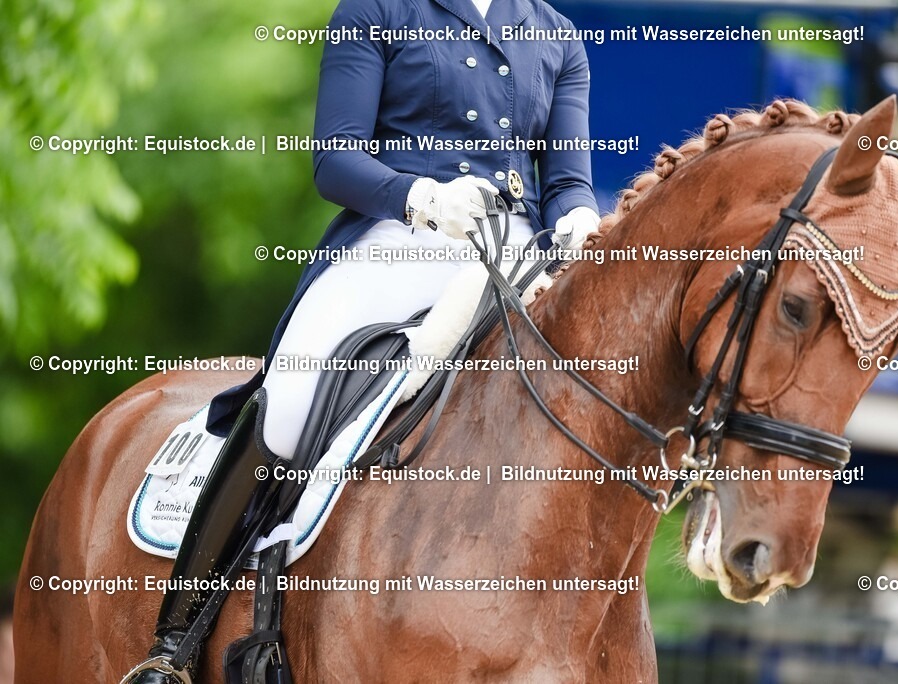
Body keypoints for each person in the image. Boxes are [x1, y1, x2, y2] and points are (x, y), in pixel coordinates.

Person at [121, 0, 599, 681]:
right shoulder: (374, 10)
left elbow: (568, 177)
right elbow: (335, 160)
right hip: (402, 238)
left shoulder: (557, 35)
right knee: (286, 403)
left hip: (515, 252)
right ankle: (174, 644)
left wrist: (579, 216)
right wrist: (421, 197)